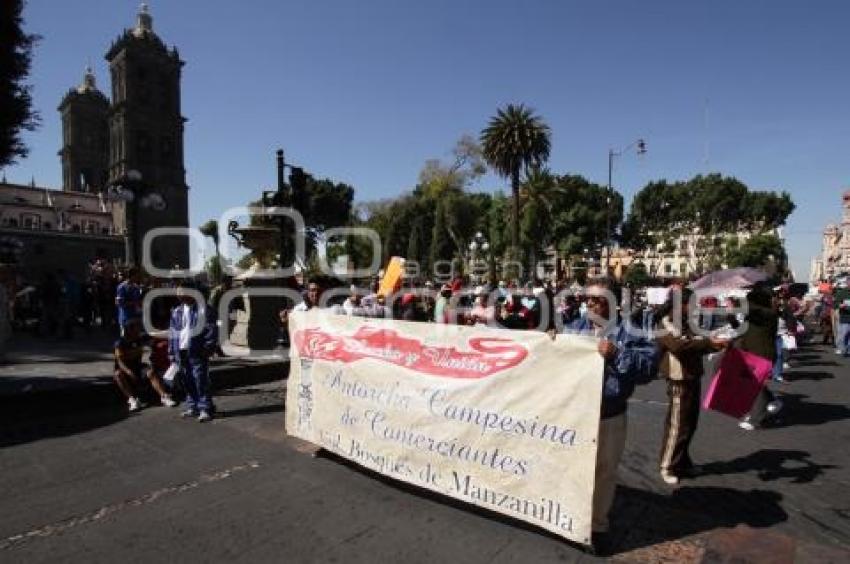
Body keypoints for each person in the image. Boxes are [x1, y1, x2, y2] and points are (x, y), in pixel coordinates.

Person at [562, 279, 658, 549]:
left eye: (596, 299)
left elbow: (649, 368)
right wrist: (550, 343)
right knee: (573, 470)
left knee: (604, 472)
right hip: (576, 415)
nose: (589, 303)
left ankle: (597, 526)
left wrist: (617, 354)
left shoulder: (631, 331)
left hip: (609, 415)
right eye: (586, 298)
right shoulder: (573, 328)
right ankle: (569, 519)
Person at [655, 288, 728, 485]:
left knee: (689, 424)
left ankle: (682, 462)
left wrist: (712, 343)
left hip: (692, 375)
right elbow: (680, 346)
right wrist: (709, 343)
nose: (695, 308)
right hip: (678, 378)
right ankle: (667, 465)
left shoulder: (688, 323)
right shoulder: (665, 323)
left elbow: (695, 343)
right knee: (677, 425)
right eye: (692, 304)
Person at [737, 284, 785, 431]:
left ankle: (758, 419)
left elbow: (751, 311)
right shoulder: (756, 314)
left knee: (754, 385)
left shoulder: (768, 314)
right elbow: (744, 329)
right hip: (751, 351)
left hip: (763, 354)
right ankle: (772, 400)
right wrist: (732, 319)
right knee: (752, 383)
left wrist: (739, 301)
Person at [168, 281, 218, 422]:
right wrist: (171, 351)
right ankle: (192, 406)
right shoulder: (176, 311)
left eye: (182, 292)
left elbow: (211, 329)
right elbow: (172, 332)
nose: (179, 296)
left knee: (200, 379)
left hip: (197, 349)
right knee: (186, 380)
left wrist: (208, 347)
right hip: (181, 350)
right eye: (178, 293)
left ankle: (205, 408)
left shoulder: (205, 309)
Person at [114, 318, 175, 412]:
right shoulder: (120, 343)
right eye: (136, 328)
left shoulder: (140, 338)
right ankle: (132, 399)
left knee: (150, 372)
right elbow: (120, 361)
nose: (139, 330)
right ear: (129, 329)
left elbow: (156, 335)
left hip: (138, 366)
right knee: (118, 374)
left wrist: (172, 334)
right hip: (125, 368)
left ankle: (164, 396)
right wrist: (128, 371)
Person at [116, 267, 143, 333]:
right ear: (132, 276)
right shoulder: (122, 287)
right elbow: (119, 303)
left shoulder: (136, 287)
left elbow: (139, 300)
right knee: (125, 340)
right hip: (125, 318)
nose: (138, 278)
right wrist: (134, 303)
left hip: (136, 317)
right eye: (137, 276)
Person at [834, 281, 850, 357]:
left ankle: (848, 350)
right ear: (848, 283)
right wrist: (840, 305)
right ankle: (842, 348)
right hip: (845, 316)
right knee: (844, 333)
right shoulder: (842, 292)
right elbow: (835, 303)